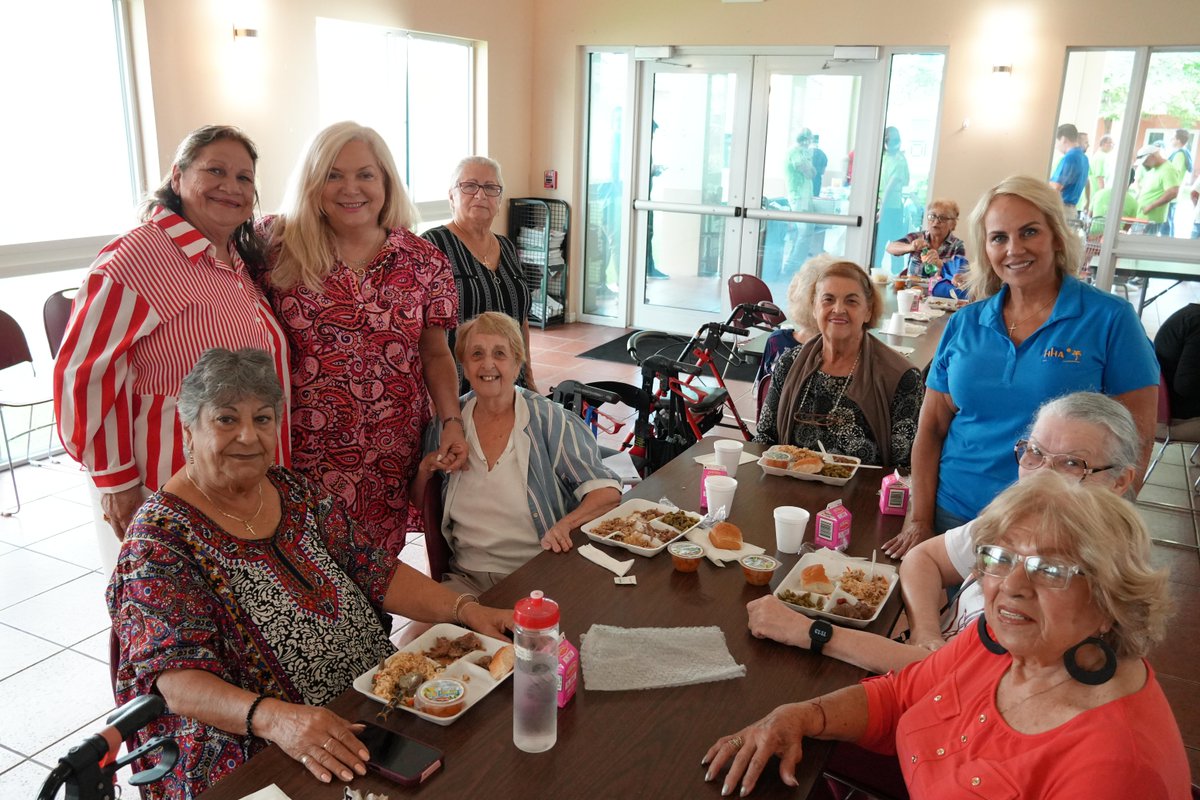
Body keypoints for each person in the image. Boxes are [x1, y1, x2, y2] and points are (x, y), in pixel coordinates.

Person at [108, 348, 512, 800]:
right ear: (188, 429)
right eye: (226, 419)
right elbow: (173, 677)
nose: (248, 436)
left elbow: (373, 569)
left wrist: (466, 609)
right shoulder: (160, 539)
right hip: (258, 746)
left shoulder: (291, 489)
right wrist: (276, 718)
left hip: (372, 704)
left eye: (262, 419)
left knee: (491, 757)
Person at [704, 472, 1189, 799]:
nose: (1012, 588)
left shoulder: (1116, 767)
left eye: (1050, 569)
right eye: (1000, 558)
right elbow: (900, 694)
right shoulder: (998, 641)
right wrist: (801, 716)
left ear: (1112, 598)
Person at [747, 391, 1139, 674]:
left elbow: (950, 673)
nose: (1042, 474)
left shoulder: (1085, 578)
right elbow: (925, 557)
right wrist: (925, 629)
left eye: (1073, 463)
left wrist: (809, 632)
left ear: (1121, 481)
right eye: (1034, 453)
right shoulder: (1020, 524)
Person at [53, 125, 291, 572]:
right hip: (169, 481)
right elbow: (83, 375)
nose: (231, 186)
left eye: (244, 178)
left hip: (234, 474)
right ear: (178, 178)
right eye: (215, 170)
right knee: (173, 613)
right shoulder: (138, 257)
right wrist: (116, 478)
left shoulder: (228, 260)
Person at [886, 175, 1158, 558]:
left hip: (1055, 529)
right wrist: (919, 518)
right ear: (986, 248)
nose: (1014, 249)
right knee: (940, 618)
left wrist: (1108, 531)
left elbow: (1139, 439)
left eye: (1029, 232)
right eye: (999, 238)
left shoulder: (1109, 320)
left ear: (1057, 237)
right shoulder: (967, 322)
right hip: (955, 515)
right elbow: (930, 429)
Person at [258, 122, 464, 555]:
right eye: (334, 174)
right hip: (303, 450)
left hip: (390, 450)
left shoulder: (424, 260)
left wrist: (452, 421)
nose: (350, 188)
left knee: (376, 571)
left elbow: (435, 353)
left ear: (386, 182)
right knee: (306, 572)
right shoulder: (275, 245)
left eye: (365, 174)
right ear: (314, 182)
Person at [414, 312, 622, 596]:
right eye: (476, 354)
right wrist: (426, 470)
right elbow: (419, 503)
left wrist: (565, 526)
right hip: (466, 577)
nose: (488, 364)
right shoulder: (448, 425)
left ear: (517, 363)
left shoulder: (549, 420)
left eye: (500, 354)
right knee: (420, 636)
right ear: (463, 364)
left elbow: (606, 493)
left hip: (539, 574)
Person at [754, 260, 924, 468]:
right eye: (828, 299)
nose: (838, 309)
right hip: (789, 492)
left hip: (862, 497)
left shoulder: (901, 377)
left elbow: (903, 466)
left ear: (868, 311)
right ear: (814, 308)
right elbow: (764, 440)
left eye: (851, 301)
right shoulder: (789, 363)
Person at [421, 156, 538, 393]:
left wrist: (529, 376)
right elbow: (420, 334)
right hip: (458, 389)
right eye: (470, 186)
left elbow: (521, 321)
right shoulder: (431, 246)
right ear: (452, 196)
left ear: (500, 198)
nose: (481, 195)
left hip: (510, 386)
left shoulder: (507, 247)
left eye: (490, 188)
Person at [883, 198, 968, 289]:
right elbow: (890, 248)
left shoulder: (957, 245)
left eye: (942, 218)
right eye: (932, 216)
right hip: (912, 292)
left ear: (953, 224)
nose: (936, 221)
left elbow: (959, 275)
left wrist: (939, 263)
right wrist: (911, 247)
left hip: (940, 297)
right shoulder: (917, 237)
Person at [1155, 303, 1200, 421]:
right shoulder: (1197, 323)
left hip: (1164, 398)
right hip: (1176, 410)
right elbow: (1186, 386)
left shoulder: (1191, 313)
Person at [874, 127, 909, 273]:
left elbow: (890, 187)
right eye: (890, 140)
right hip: (884, 207)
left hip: (890, 208)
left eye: (896, 140)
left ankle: (897, 278)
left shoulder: (898, 160)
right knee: (879, 245)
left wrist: (881, 210)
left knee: (894, 246)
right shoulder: (885, 158)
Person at [1132, 144, 1183, 235]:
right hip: (1142, 217)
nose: (1144, 164)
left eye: (1145, 161)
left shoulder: (1168, 169)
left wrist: (1151, 206)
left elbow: (1173, 192)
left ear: (1153, 156)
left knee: (1142, 246)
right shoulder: (1153, 168)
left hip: (1151, 218)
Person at [1048, 123, 1089, 215]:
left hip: (1062, 209)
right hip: (1072, 210)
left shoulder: (1070, 157)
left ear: (1063, 139)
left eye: (1057, 141)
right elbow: (1087, 181)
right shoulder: (1084, 158)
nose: (1056, 146)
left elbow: (1056, 186)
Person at [1164, 129, 1193, 237]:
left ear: (1178, 140)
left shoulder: (1179, 155)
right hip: (1174, 193)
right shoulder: (1183, 153)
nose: (1171, 139)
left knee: (1166, 224)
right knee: (1168, 221)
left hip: (1171, 192)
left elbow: (1174, 173)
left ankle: (1166, 246)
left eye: (1173, 137)